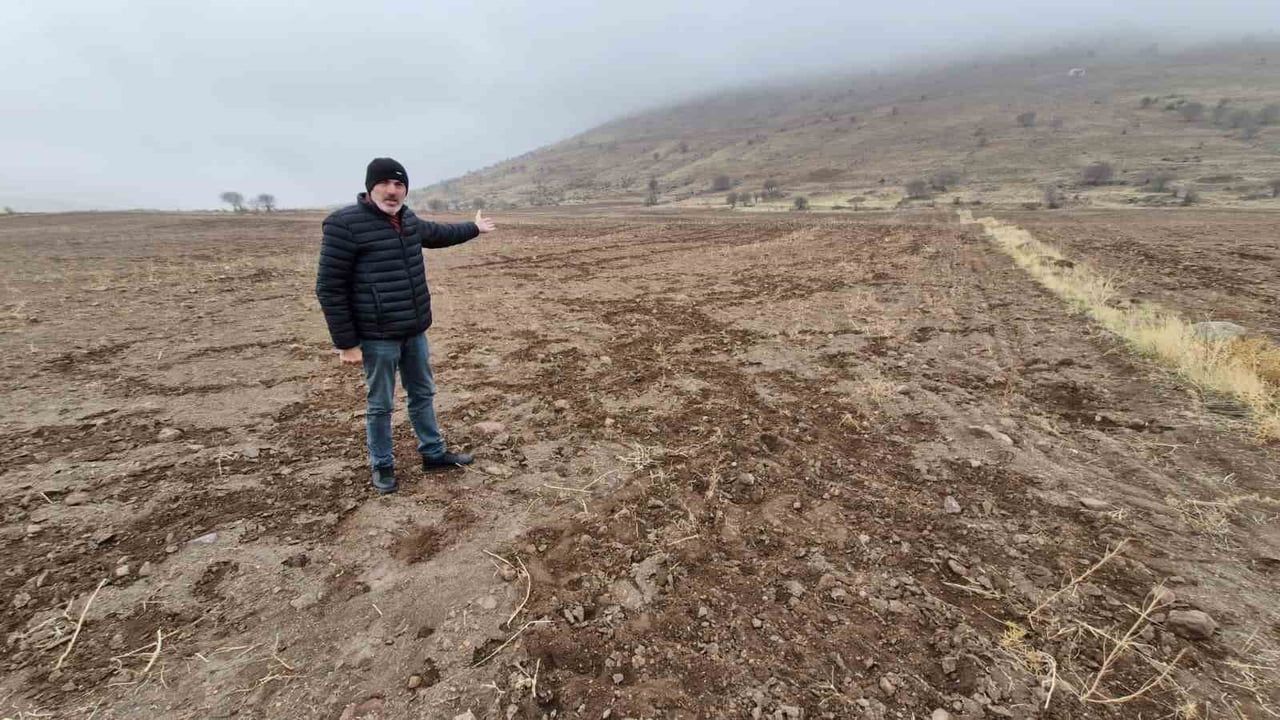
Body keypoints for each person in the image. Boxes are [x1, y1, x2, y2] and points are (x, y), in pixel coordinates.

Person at [315, 157, 496, 494]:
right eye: (385, 183)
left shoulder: (407, 219)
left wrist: (474, 229)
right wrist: (347, 343)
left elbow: (438, 234)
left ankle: (433, 453)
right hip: (376, 335)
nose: (392, 190)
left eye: (399, 184)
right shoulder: (344, 224)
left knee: (423, 393)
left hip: (414, 329)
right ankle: (382, 465)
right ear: (371, 187)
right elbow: (329, 287)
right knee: (380, 404)